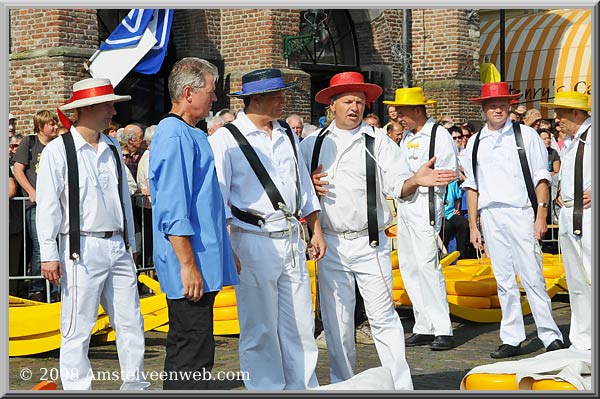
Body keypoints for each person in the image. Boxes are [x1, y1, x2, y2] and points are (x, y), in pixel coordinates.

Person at [300, 72, 456, 389]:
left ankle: (400, 386)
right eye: (348, 101)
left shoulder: (378, 140)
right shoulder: (311, 145)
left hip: (370, 244)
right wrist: (308, 186)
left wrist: (415, 180)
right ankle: (345, 384)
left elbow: (399, 182)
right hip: (330, 245)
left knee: (384, 318)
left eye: (360, 101)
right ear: (332, 105)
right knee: (337, 322)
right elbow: (294, 191)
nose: (355, 107)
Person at [209, 67, 325, 390]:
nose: (283, 99)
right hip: (252, 239)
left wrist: (315, 229)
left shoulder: (287, 133)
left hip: (290, 239)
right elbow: (218, 198)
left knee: (300, 322)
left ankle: (303, 385)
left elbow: (303, 186)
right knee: (259, 326)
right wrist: (227, 248)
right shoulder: (224, 139)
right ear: (255, 99)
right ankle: (266, 387)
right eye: (277, 94)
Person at [36, 77, 148, 390]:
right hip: (79, 247)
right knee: (77, 327)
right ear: (89, 108)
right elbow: (47, 206)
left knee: (131, 321)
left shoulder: (112, 147)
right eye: (109, 104)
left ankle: (135, 385)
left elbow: (123, 198)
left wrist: (131, 243)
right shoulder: (59, 151)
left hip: (117, 246)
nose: (114, 110)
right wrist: (48, 253)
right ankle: (77, 389)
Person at [149, 57, 238, 390]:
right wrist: (188, 264)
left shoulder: (190, 133)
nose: (215, 99)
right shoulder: (174, 135)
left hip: (204, 258)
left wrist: (225, 252)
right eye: (211, 92)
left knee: (194, 346)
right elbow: (173, 207)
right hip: (191, 263)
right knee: (192, 350)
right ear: (188, 92)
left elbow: (206, 205)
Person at [462, 81, 565, 359]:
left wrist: (540, 215)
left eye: (502, 104)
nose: (498, 109)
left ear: (510, 106)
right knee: (503, 279)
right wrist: (474, 225)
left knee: (532, 275)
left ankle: (549, 334)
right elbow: (472, 186)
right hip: (491, 215)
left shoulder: (526, 136)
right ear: (483, 108)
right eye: (492, 105)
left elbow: (541, 178)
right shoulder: (474, 143)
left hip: (521, 212)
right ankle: (511, 337)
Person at [382, 87, 458, 351]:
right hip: (406, 209)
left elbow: (450, 172)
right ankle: (423, 324)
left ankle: (443, 328)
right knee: (409, 267)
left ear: (417, 110)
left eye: (402, 113)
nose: (398, 118)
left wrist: (421, 179)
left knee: (428, 267)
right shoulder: (406, 138)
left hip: (426, 210)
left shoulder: (439, 134)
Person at [541, 91, 592, 352]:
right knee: (576, 280)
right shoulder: (571, 141)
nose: (556, 119)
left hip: (589, 216)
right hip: (570, 214)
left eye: (560, 113)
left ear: (576, 113)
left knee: (591, 275)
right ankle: (582, 339)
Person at [13, 109, 59, 301]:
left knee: (56, 244)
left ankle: (54, 287)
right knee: (41, 245)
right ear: (41, 126)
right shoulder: (29, 143)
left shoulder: (58, 146)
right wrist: (32, 191)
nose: (55, 127)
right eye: (51, 124)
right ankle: (37, 288)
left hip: (56, 203)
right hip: (36, 205)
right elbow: (18, 170)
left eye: (56, 123)